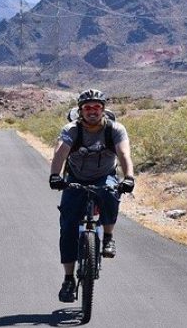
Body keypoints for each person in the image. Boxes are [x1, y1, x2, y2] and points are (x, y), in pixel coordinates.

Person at [48, 89, 135, 303]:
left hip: (103, 176)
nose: (92, 111)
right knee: (68, 226)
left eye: (96, 107)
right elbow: (60, 152)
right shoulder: (72, 130)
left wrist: (129, 177)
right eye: (87, 108)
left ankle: (108, 238)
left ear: (103, 109)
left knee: (111, 193)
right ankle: (68, 279)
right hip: (75, 178)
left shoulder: (114, 129)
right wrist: (54, 176)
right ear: (80, 111)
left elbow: (124, 153)